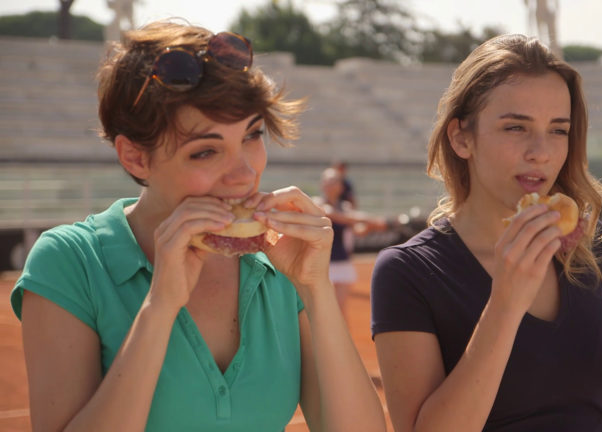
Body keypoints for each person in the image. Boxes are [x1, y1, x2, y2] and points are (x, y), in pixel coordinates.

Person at [10, 21, 386, 432]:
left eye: (252, 134)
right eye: (206, 152)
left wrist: (315, 289)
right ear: (135, 158)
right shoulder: (70, 262)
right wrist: (159, 308)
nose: (244, 174)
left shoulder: (278, 264)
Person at [370, 34, 602, 431]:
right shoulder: (408, 272)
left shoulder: (591, 244)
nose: (541, 152)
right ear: (461, 138)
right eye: (515, 128)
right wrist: (506, 304)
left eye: (558, 130)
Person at [316, 166, 386, 317]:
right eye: (327, 180)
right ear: (322, 185)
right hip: (321, 263)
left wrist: (371, 227)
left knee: (340, 310)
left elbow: (356, 229)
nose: (329, 184)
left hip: (342, 262)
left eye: (334, 181)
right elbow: (342, 217)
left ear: (341, 187)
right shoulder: (318, 204)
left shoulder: (346, 207)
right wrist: (374, 220)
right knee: (321, 310)